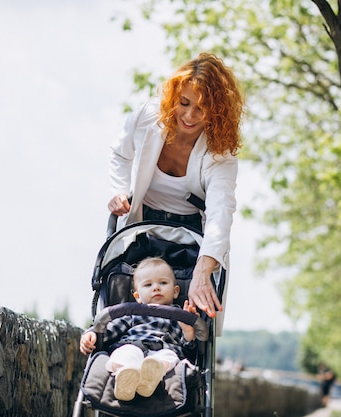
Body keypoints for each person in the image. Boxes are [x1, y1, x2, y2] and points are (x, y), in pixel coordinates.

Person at [107, 52, 245, 319]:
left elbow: (220, 210)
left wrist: (203, 272)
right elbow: (120, 154)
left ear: (215, 113)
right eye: (184, 103)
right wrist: (119, 191)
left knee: (190, 316)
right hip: (142, 224)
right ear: (174, 96)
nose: (190, 116)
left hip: (191, 235)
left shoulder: (220, 151)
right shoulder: (148, 116)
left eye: (201, 109)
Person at [79, 257, 197, 401]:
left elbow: (189, 348)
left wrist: (188, 329)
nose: (156, 287)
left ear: (175, 291)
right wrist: (92, 334)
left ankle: (148, 380)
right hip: (133, 346)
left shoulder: (179, 315)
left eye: (163, 283)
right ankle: (126, 377)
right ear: (137, 296)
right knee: (126, 352)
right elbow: (110, 329)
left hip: (162, 351)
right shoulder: (132, 313)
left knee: (169, 357)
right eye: (148, 285)